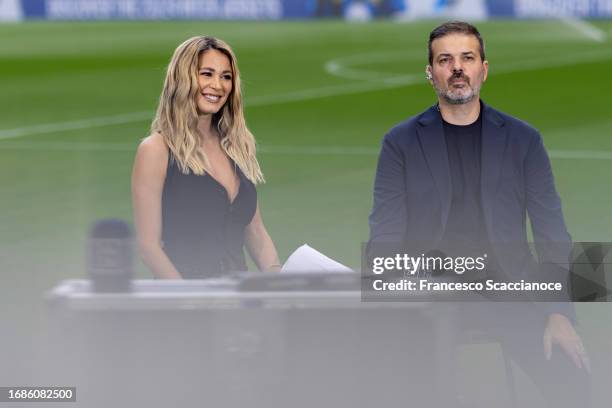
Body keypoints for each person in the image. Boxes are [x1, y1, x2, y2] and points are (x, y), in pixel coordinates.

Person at [368, 21, 591, 406]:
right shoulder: (399, 142)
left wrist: (560, 314)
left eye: (467, 58)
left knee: (576, 381)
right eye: (445, 59)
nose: (457, 68)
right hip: (430, 298)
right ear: (430, 73)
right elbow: (385, 234)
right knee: (394, 386)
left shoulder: (524, 139)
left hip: (510, 294)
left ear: (483, 69)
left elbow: (552, 232)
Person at [132, 36, 280, 279]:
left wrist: (279, 280)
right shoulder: (156, 150)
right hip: (186, 305)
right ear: (183, 78)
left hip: (238, 300)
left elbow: (256, 232)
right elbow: (149, 248)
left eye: (226, 77)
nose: (218, 85)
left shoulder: (237, 146)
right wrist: (192, 300)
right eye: (207, 74)